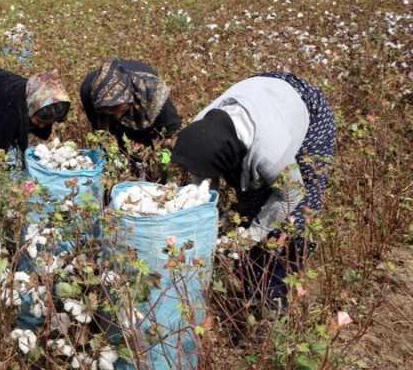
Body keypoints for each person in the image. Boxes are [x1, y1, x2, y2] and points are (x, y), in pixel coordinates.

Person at [171, 72, 336, 307]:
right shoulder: (202, 128)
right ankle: (250, 278)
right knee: (250, 201)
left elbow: (292, 192)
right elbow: (205, 177)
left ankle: (272, 298)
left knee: (296, 218)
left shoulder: (269, 152)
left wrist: (252, 236)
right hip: (263, 95)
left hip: (306, 109)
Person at [80, 58, 181, 148]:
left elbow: (174, 128)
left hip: (143, 102)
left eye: (116, 108)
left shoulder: (154, 91)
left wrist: (164, 143)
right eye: (109, 110)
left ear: (129, 97)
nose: (116, 116)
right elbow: (100, 132)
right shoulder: (89, 92)